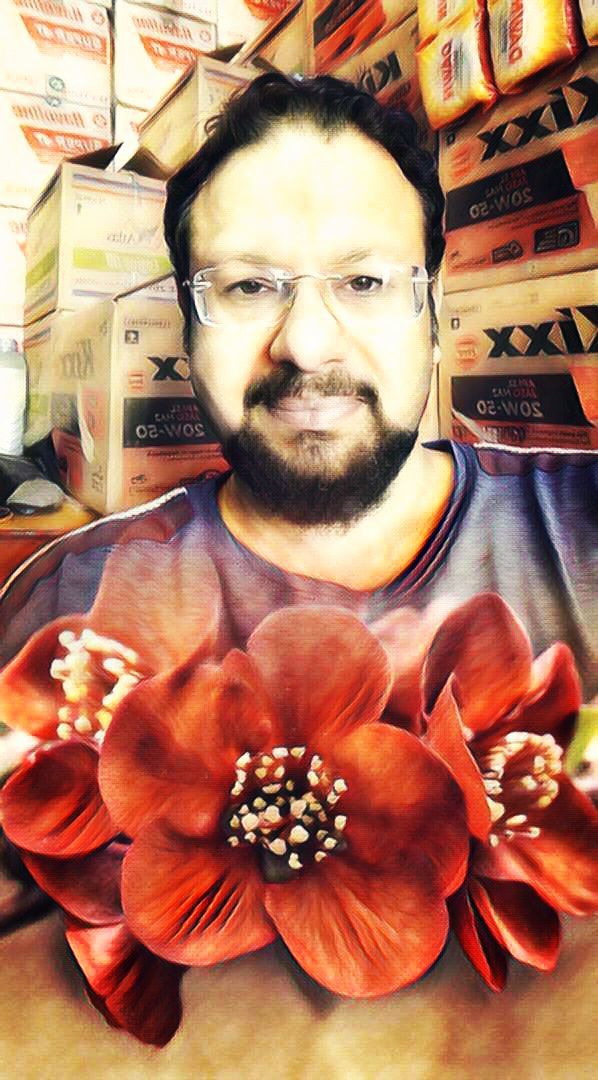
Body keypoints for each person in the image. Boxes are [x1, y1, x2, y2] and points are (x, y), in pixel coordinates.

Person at [0, 73, 596, 1076]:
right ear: (188, 331)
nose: (307, 342)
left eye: (365, 283)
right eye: (246, 286)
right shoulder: (62, 605)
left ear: (433, 313)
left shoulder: (582, 537)